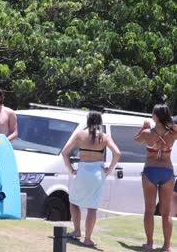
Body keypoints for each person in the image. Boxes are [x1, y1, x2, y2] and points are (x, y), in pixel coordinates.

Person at [61, 111, 121, 247]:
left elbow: (65, 153)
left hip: (82, 171)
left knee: (74, 201)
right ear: (100, 122)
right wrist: (109, 170)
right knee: (92, 206)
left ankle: (76, 231)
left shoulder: (80, 135)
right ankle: (88, 238)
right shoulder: (104, 137)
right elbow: (117, 153)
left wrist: (71, 169)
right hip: (97, 173)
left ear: (88, 121)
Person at [135, 104, 176, 252]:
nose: (151, 116)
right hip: (167, 171)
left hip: (150, 171)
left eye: (153, 114)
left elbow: (136, 140)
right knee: (166, 213)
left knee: (149, 211)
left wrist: (143, 127)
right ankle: (167, 246)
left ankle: (150, 243)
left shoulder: (147, 132)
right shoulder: (172, 133)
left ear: (156, 116)